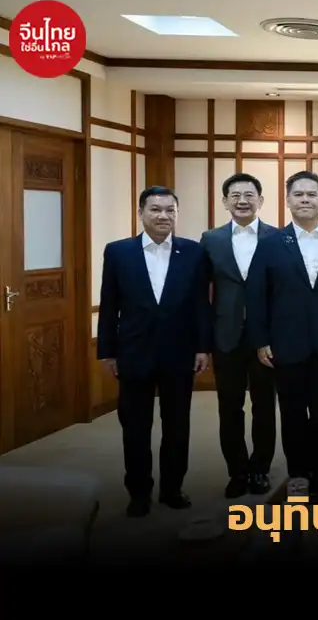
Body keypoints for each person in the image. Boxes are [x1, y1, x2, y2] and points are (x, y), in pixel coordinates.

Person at [97, 186, 211, 517]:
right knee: (135, 427)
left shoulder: (193, 252)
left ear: (177, 213)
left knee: (177, 425)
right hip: (134, 352)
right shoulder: (118, 252)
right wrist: (108, 351)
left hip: (180, 351)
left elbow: (201, 304)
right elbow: (109, 304)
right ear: (141, 213)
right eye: (155, 209)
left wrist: (203, 347)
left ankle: (173, 488)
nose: (163, 216)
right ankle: (139, 492)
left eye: (170, 210)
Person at [246, 171, 318, 495]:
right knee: (292, 414)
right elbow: (256, 296)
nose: (305, 199)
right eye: (299, 194)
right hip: (286, 344)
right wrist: (261, 340)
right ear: (288, 200)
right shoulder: (270, 245)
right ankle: (298, 474)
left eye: (312, 194)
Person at [200, 173, 278, 499]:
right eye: (235, 195)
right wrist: (203, 342)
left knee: (264, 406)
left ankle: (260, 469)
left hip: (265, 339)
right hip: (226, 336)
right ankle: (237, 471)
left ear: (261, 200)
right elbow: (200, 294)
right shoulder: (210, 239)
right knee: (229, 407)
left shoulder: (277, 238)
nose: (242, 200)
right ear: (225, 202)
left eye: (249, 195)